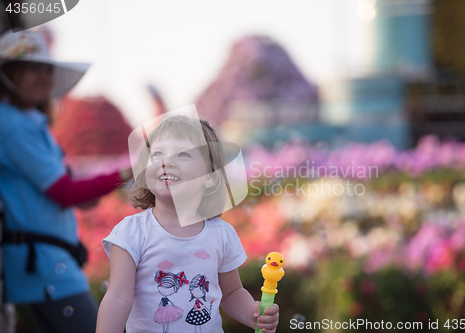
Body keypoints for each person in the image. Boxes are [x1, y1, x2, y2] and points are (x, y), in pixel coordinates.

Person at [0, 30, 133, 333]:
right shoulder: (14, 125)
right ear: (9, 73)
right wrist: (129, 173)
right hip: (44, 267)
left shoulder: (27, 122)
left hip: (47, 262)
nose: (45, 77)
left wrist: (92, 189)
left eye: (48, 69)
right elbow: (64, 193)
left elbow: (65, 190)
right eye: (34, 67)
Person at [96, 114, 280, 333]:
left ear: (210, 176)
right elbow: (117, 297)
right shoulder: (132, 232)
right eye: (157, 154)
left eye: (182, 154)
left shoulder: (221, 234)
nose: (166, 162)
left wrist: (252, 312)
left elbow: (231, 293)